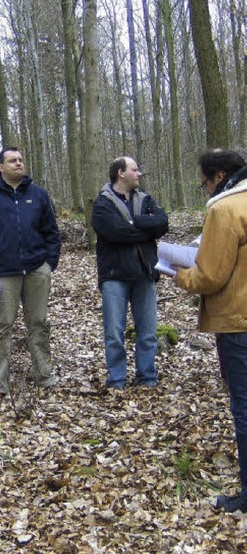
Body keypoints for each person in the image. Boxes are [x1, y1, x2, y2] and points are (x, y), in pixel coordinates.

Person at [174, 149, 247, 513]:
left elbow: (210, 276)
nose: (203, 189)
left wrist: (179, 273)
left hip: (238, 321)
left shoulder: (225, 209)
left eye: (204, 181)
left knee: (244, 406)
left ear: (218, 177)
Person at [0, 147, 61, 396]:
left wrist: (49, 263)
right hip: (2, 272)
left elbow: (51, 232)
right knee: (3, 325)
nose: (19, 164)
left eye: (21, 160)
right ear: (0, 167)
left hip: (36, 270)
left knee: (38, 323)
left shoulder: (38, 194)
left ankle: (43, 374)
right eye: (12, 161)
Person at [91, 156, 169, 389]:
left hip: (144, 273)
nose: (139, 174)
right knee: (114, 333)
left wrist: (136, 224)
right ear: (121, 173)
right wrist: (146, 230)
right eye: (135, 169)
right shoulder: (102, 204)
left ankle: (147, 377)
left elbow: (162, 223)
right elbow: (115, 232)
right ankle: (117, 379)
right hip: (114, 276)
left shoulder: (145, 200)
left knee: (148, 332)